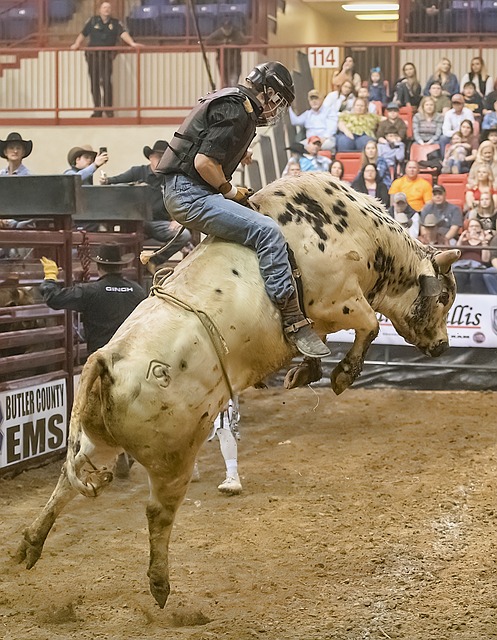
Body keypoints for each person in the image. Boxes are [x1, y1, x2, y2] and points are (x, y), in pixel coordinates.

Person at [156, 61, 330, 359]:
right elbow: (204, 163)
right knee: (267, 232)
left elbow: (208, 144)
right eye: (277, 101)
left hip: (182, 190)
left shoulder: (233, 101)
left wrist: (239, 152)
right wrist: (230, 190)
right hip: (191, 194)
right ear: (268, 91)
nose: (276, 109)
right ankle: (293, 321)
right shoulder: (239, 109)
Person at [100, 140, 193, 271]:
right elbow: (113, 182)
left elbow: (182, 199)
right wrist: (107, 180)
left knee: (184, 235)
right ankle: (129, 267)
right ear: (150, 157)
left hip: (160, 223)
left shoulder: (171, 178)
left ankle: (153, 261)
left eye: (165, 158)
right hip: (136, 222)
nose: (161, 161)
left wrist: (177, 219)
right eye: (158, 157)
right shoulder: (137, 172)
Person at [39, 242, 146, 355]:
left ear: (98, 267)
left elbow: (54, 299)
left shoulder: (89, 291)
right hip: (132, 356)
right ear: (121, 266)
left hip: (101, 358)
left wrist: (50, 277)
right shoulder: (138, 290)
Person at [71, 1, 141, 118]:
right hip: (93, 56)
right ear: (100, 10)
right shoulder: (92, 21)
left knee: (107, 82)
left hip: (106, 57)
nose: (106, 9)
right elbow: (83, 34)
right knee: (94, 83)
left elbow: (123, 33)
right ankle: (97, 110)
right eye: (104, 7)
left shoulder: (115, 23)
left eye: (108, 8)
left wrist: (132, 43)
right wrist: (76, 44)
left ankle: (109, 109)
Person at [205, 17, 248, 88]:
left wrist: (232, 43)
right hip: (223, 63)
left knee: (233, 82)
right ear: (222, 28)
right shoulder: (218, 33)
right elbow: (208, 41)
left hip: (235, 62)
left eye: (229, 28)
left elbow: (244, 41)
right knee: (225, 83)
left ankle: (232, 95)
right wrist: (222, 43)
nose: (227, 31)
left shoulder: (236, 32)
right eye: (225, 29)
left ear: (231, 27)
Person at [454, 218, 491, 294]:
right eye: (471, 226)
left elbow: (486, 259)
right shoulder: (463, 241)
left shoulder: (484, 241)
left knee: (475, 276)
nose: (474, 228)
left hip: (477, 266)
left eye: (477, 226)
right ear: (468, 229)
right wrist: (461, 239)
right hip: (462, 265)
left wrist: (483, 241)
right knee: (459, 275)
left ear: (481, 228)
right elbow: (455, 255)